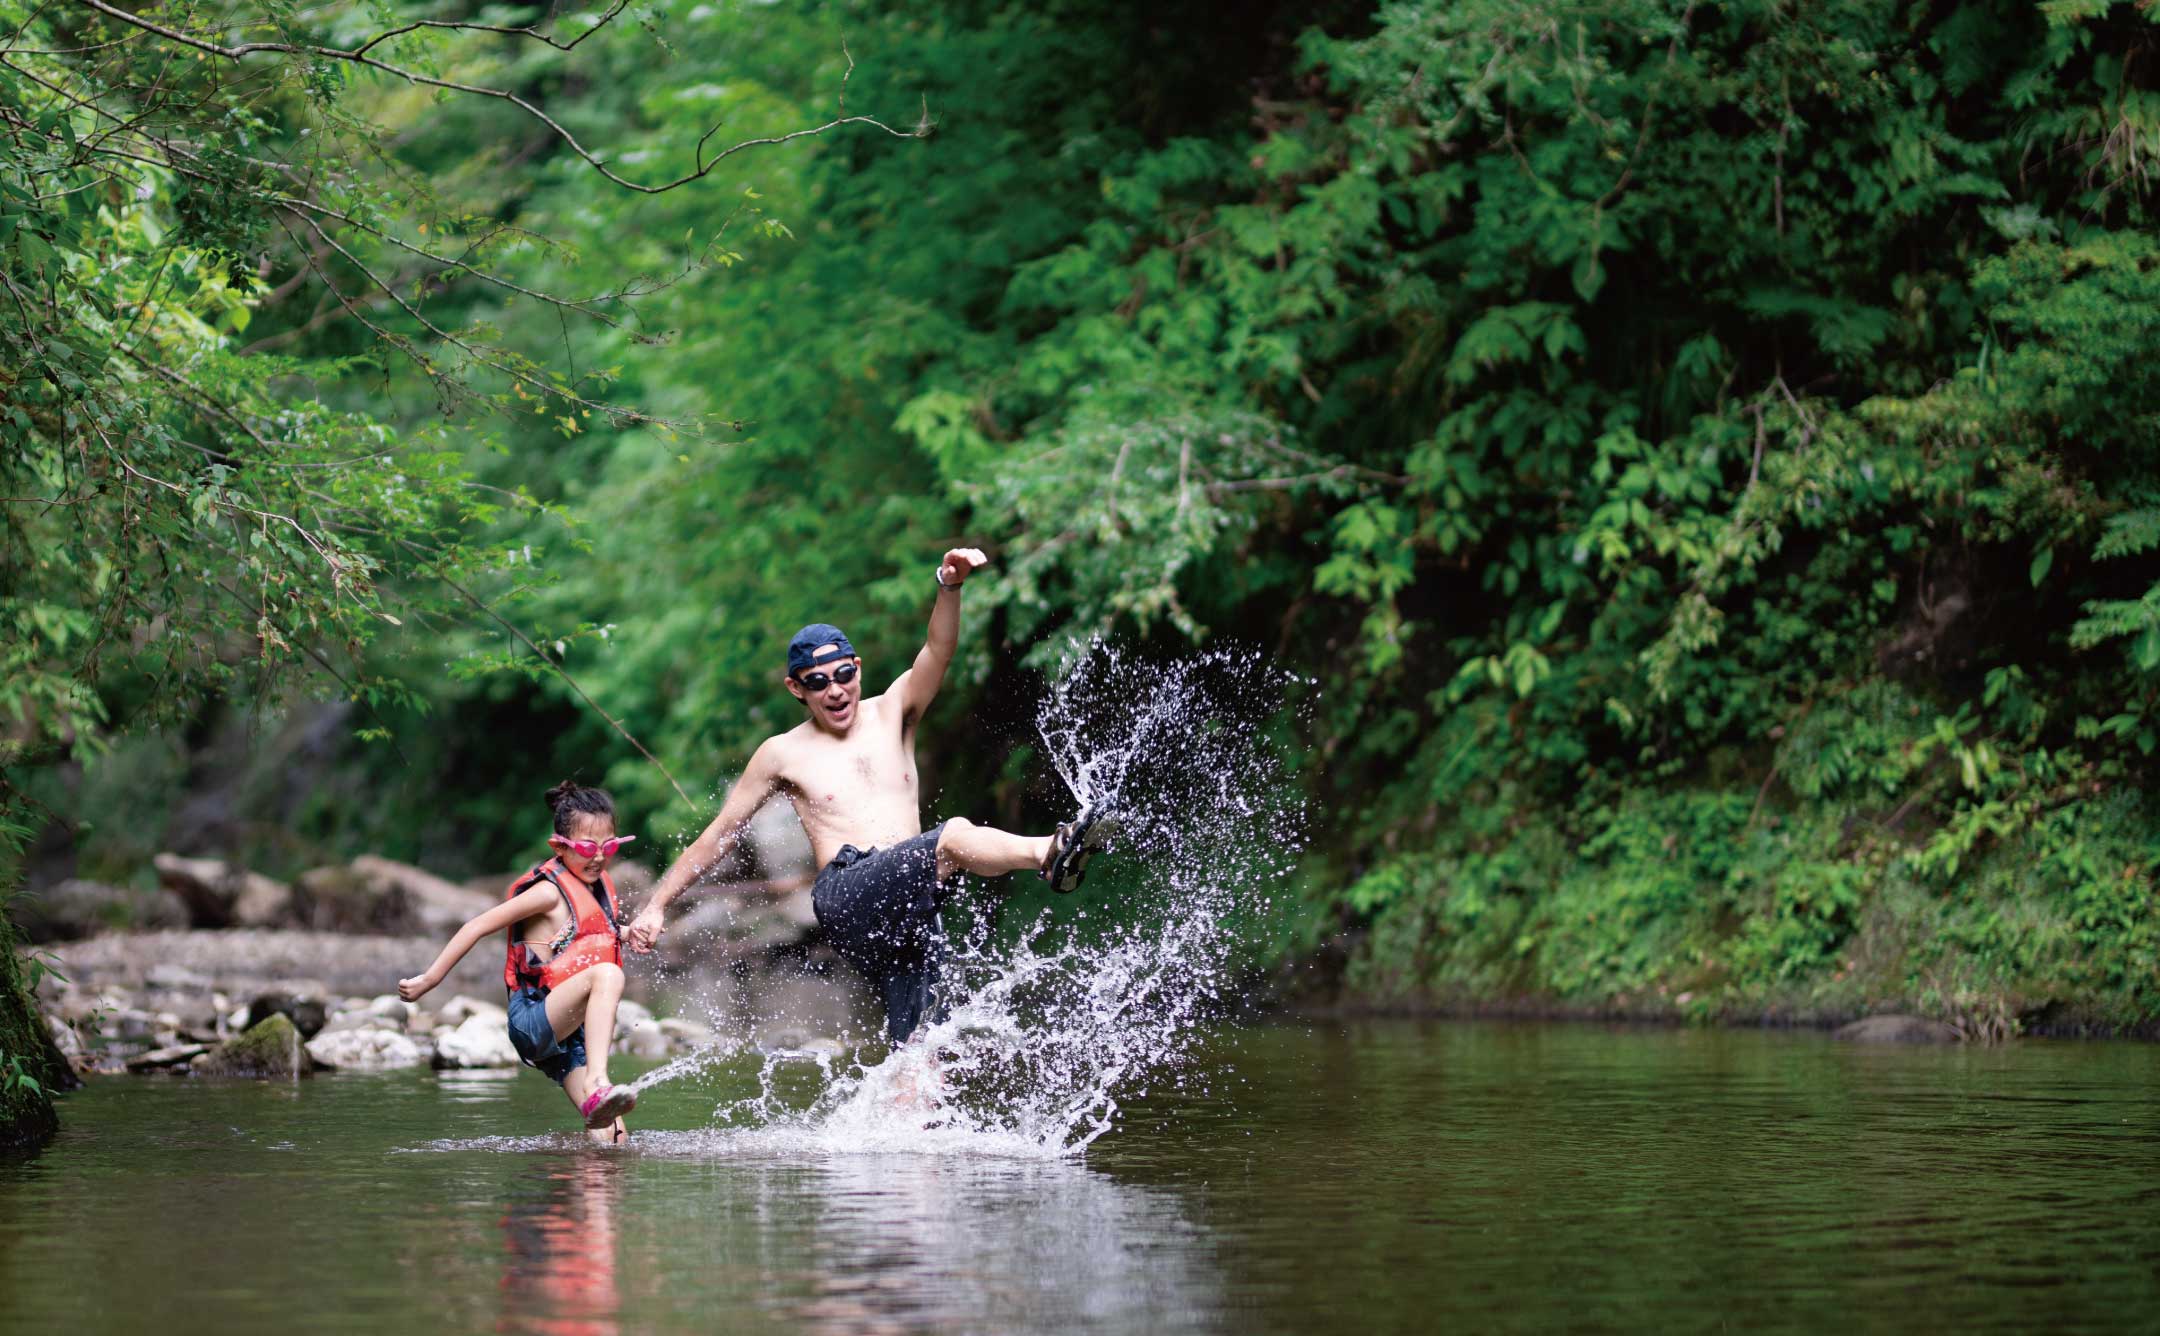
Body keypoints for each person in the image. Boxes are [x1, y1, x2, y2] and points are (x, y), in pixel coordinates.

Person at [626, 546, 1117, 1046]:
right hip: (847, 894)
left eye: (844, 674)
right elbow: (719, 835)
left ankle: (899, 1120)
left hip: (912, 901)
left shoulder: (895, 711)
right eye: (818, 683)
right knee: (951, 839)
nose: (835, 690)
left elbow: (938, 651)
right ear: (797, 689)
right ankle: (1049, 855)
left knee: (922, 1048)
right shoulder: (780, 754)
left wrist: (949, 587)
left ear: (857, 669)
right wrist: (657, 904)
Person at [400, 780, 639, 1140]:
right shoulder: (547, 893)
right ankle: (598, 1078)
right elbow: (477, 925)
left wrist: (626, 933)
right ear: (559, 846)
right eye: (588, 846)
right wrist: (430, 980)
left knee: (614, 1136)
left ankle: (590, 1189)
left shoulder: (597, 888)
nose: (599, 856)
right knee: (608, 974)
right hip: (534, 1019)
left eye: (609, 846)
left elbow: (586, 941)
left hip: (566, 1036)